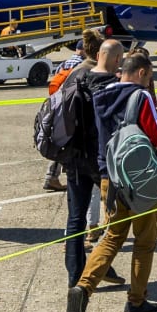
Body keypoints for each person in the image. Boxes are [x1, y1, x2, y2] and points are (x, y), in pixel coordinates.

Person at [67, 49, 157, 312]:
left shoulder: (101, 94)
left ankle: (83, 287)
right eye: (148, 76)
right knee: (145, 240)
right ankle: (136, 301)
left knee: (112, 237)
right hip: (139, 179)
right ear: (142, 72)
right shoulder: (141, 96)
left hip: (109, 177)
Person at [62, 41, 125, 287]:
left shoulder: (76, 78)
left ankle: (75, 276)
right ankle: (100, 265)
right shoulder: (115, 86)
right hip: (102, 160)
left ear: (98, 55)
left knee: (76, 219)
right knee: (115, 218)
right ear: (117, 59)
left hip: (75, 157)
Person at [43, 29, 104, 193]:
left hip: (61, 109)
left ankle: (51, 176)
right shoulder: (86, 68)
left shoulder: (65, 64)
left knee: (62, 145)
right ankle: (52, 176)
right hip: (78, 122)